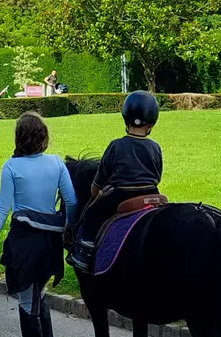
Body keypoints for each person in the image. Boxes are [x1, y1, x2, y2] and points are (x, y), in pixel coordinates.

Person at [0, 112, 76, 337]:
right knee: (39, 295)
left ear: (19, 138)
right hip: (50, 243)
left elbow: (3, 208)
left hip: (24, 242)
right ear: (43, 136)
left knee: (27, 303)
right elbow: (71, 201)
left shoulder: (11, 167)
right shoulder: (57, 163)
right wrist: (68, 228)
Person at [68, 90, 163, 273]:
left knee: (92, 214)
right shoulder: (155, 147)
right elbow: (157, 174)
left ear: (125, 118)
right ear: (151, 123)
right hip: (152, 193)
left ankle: (84, 252)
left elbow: (102, 175)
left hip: (121, 195)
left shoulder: (116, 145)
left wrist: (95, 190)